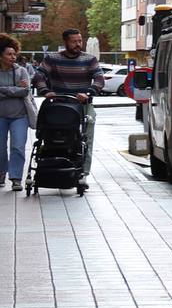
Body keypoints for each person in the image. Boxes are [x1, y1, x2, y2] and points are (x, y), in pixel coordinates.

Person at [33, 28, 104, 180]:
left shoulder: (89, 59)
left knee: (87, 135)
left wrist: (89, 93)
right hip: (57, 104)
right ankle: (50, 161)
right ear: (65, 42)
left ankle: (83, 172)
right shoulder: (52, 59)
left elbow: (99, 78)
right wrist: (45, 91)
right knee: (51, 132)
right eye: (74, 41)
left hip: (82, 103)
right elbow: (38, 75)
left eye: (80, 41)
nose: (78, 44)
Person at [0, 35, 34, 191]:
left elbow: (25, 91)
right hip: (0, 116)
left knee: (18, 146)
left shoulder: (21, 71)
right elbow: (19, 90)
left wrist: (4, 90)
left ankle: (16, 178)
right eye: (9, 54)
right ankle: (1, 172)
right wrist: (15, 90)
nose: (13, 57)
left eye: (14, 54)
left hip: (19, 116)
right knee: (0, 147)